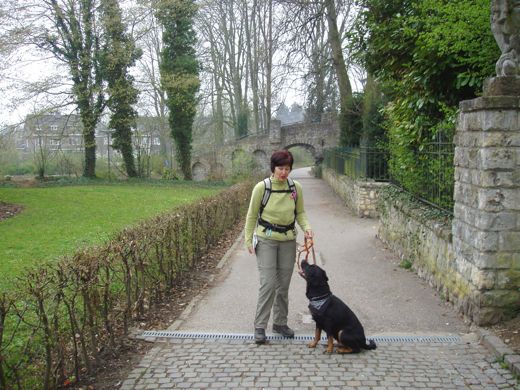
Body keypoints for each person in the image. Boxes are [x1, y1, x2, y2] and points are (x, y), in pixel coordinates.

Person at [245, 149, 313, 344]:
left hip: (288, 240)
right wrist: (248, 239)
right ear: (273, 168)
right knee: (268, 284)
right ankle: (260, 326)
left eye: (287, 168)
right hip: (266, 239)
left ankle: (280, 323)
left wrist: (307, 228)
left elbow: (300, 213)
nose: (284, 172)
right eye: (280, 168)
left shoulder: (295, 187)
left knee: (283, 286)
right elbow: (251, 215)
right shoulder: (262, 188)